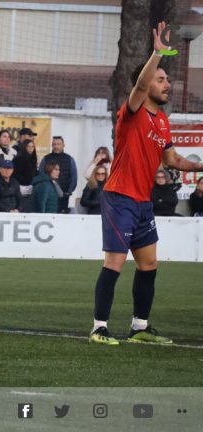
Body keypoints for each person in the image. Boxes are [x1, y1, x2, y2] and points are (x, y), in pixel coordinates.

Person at [89, 22, 203, 346]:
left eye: (167, 79)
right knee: (114, 262)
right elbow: (139, 85)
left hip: (142, 201)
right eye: (161, 79)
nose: (167, 84)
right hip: (119, 197)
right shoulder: (133, 111)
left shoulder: (163, 121)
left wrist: (199, 165)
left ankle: (140, 327)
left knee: (149, 264)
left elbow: (171, 160)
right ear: (146, 82)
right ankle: (99, 328)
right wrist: (157, 52)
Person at [38, 136, 77, 213]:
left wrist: (69, 192)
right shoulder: (46, 158)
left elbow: (74, 177)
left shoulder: (70, 159)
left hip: (64, 195)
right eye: (54, 144)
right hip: (48, 194)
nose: (56, 146)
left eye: (58, 144)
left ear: (63, 145)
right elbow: (41, 175)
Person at [12, 139, 37, 212]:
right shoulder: (18, 159)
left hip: (30, 187)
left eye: (32, 146)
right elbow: (15, 174)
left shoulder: (32, 158)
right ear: (24, 147)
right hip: (20, 187)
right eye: (28, 146)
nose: (31, 148)